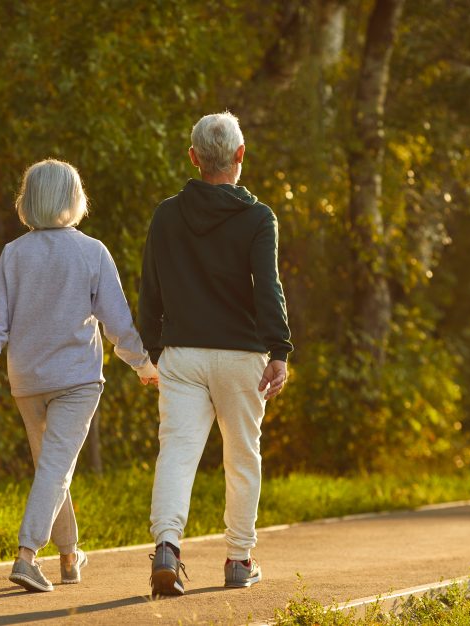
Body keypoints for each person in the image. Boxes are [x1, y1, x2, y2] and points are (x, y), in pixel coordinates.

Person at [0, 159, 158, 593]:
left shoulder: (14, 253)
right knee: (55, 468)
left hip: (27, 380)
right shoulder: (92, 251)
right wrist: (143, 365)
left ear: (29, 200)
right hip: (76, 381)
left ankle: (70, 556)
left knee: (53, 467)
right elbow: (118, 322)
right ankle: (27, 555)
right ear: (74, 199)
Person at [138, 112, 293, 595]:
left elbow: (151, 287)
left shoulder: (167, 214)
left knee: (177, 454)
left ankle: (166, 548)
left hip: (182, 355)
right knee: (242, 458)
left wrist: (152, 350)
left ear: (193, 158)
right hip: (241, 356)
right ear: (240, 156)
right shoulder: (257, 217)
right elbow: (267, 288)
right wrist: (279, 349)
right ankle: (238, 560)